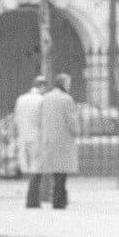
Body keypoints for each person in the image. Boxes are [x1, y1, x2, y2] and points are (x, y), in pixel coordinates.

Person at [39, 72, 79, 209]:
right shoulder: (66, 99)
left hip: (49, 137)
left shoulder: (46, 98)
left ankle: (60, 197)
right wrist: (75, 132)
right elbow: (71, 120)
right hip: (63, 138)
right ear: (64, 84)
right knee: (62, 171)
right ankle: (59, 199)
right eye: (68, 83)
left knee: (56, 170)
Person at [14, 75, 47, 208]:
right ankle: (33, 199)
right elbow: (43, 120)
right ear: (42, 86)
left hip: (23, 136)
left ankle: (32, 199)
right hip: (36, 136)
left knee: (28, 167)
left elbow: (16, 119)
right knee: (37, 168)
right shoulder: (41, 100)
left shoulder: (21, 99)